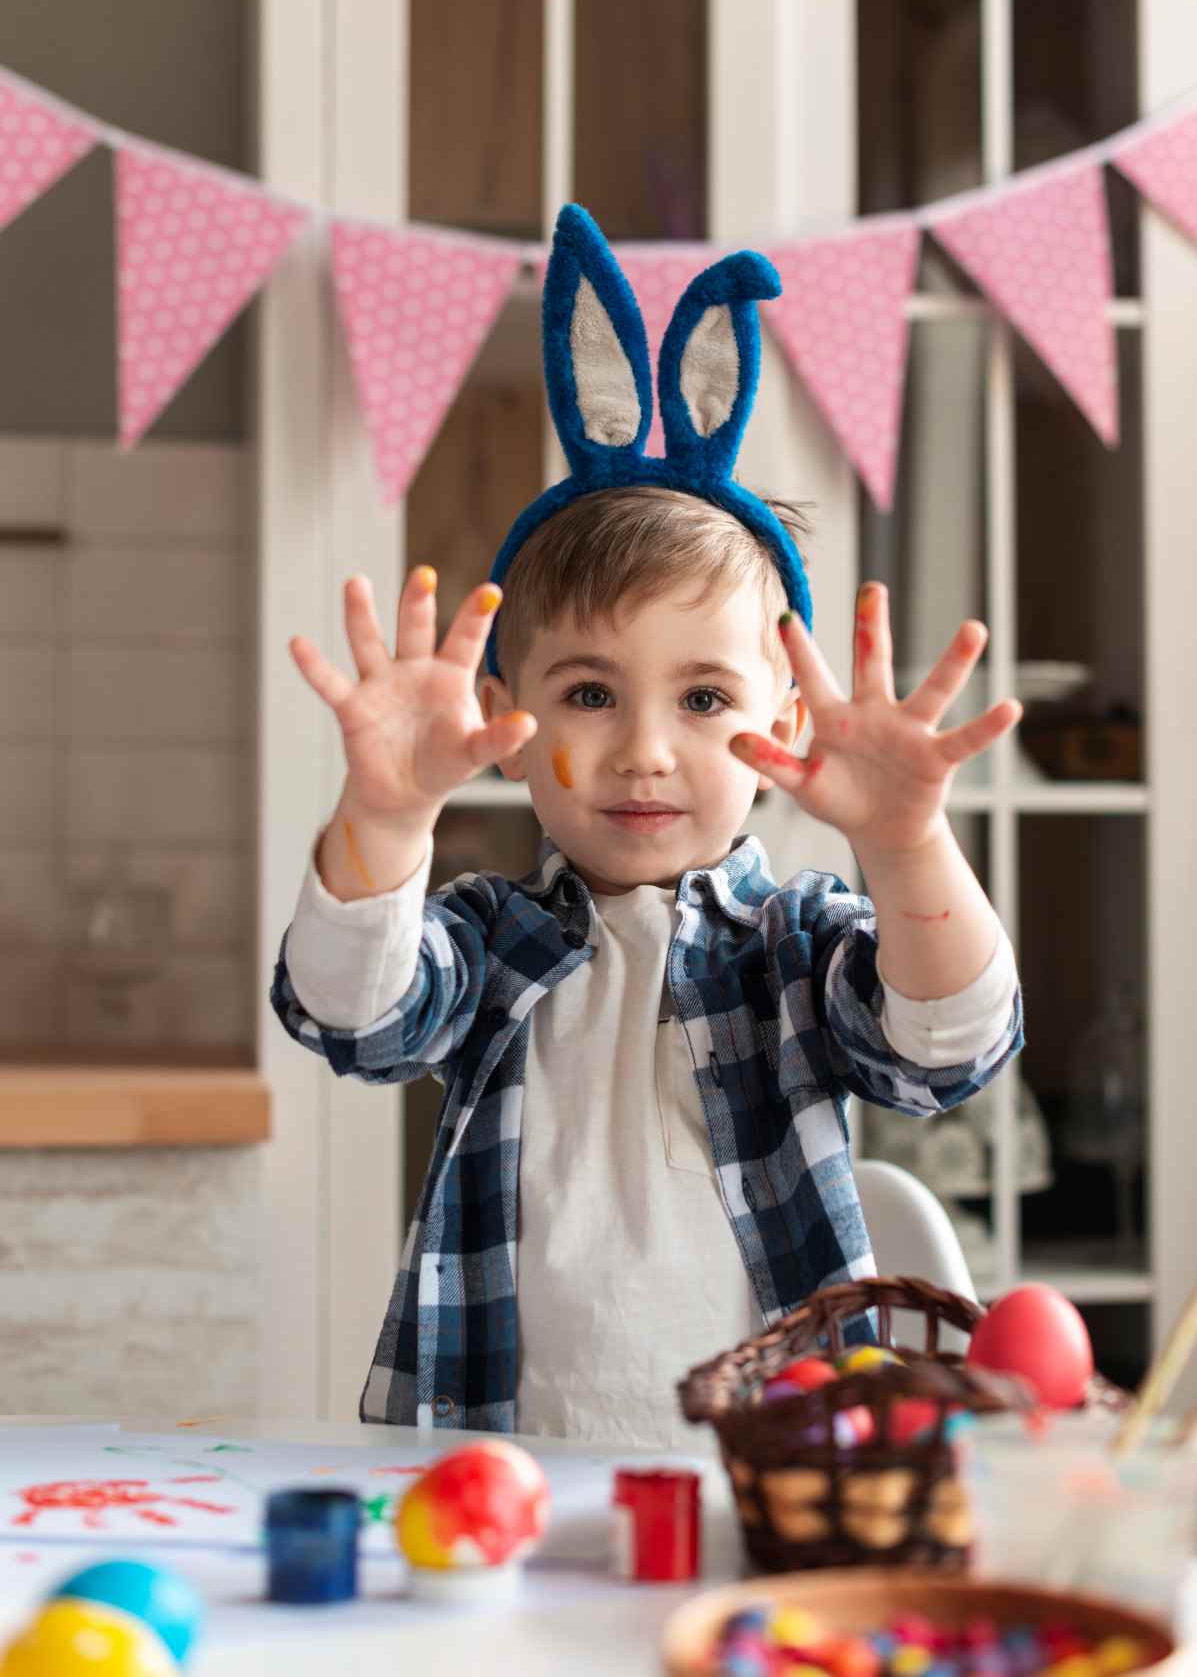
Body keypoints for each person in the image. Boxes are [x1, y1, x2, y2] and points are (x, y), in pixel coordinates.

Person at [271, 205, 1022, 1443]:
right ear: (504, 715)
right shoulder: (487, 937)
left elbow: (948, 1050)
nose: (644, 749)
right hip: (499, 1467)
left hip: (768, 1479)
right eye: (588, 693)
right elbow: (352, 1014)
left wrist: (903, 848)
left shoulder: (797, 942)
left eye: (705, 697)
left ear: (786, 719)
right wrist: (388, 811)